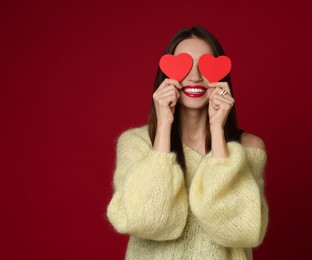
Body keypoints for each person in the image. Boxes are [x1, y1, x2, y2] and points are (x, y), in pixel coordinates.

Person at [106, 26, 269, 260]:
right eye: (184, 66)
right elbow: (146, 221)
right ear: (166, 75)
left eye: (205, 66)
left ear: (221, 75)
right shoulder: (136, 144)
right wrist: (163, 127)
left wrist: (217, 132)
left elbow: (242, 230)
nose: (194, 77)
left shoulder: (248, 148)